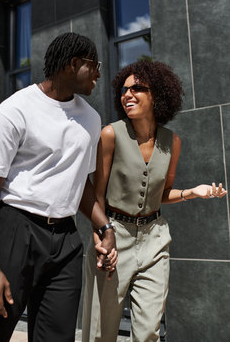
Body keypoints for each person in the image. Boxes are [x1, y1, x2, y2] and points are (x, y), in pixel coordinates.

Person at [0, 32, 117, 342]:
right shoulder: (14, 110)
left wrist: (104, 226)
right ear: (73, 64)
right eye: (93, 65)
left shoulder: (92, 119)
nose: (99, 73)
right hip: (15, 231)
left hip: (66, 241)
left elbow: (79, 183)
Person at [82, 60, 227, 342]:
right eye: (124, 90)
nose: (128, 94)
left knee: (149, 331)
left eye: (137, 88)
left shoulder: (171, 142)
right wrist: (100, 237)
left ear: (157, 95)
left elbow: (160, 194)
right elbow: (96, 194)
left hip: (154, 239)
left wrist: (191, 192)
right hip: (113, 236)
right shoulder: (111, 135)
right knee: (101, 333)